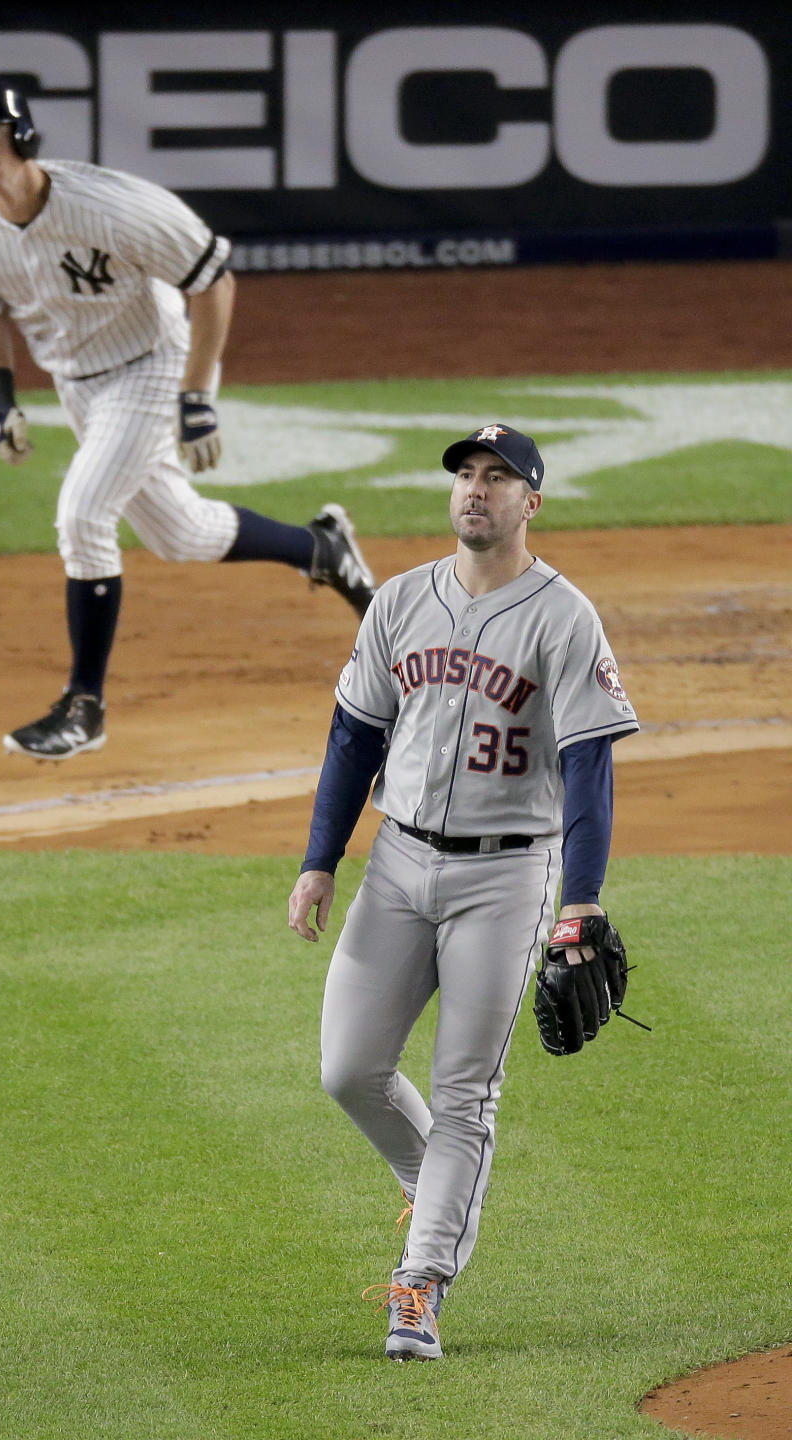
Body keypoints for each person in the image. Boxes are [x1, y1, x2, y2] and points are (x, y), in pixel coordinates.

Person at [288, 423, 639, 1361]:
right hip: (397, 865)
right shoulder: (401, 601)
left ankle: (420, 1283)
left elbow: (589, 764)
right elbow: (353, 737)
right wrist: (321, 858)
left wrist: (583, 899)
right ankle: (434, 1184)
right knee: (348, 1069)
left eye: (498, 478)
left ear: (532, 501)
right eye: (466, 477)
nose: (476, 491)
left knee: (464, 1093)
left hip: (507, 874)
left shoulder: (564, 616)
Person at [0, 79, 375, 760]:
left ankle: (84, 705)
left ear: (23, 136)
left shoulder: (110, 205)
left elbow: (212, 280)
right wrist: (3, 401)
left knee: (83, 513)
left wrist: (196, 396)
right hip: (78, 382)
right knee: (179, 532)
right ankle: (322, 549)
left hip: (154, 363)